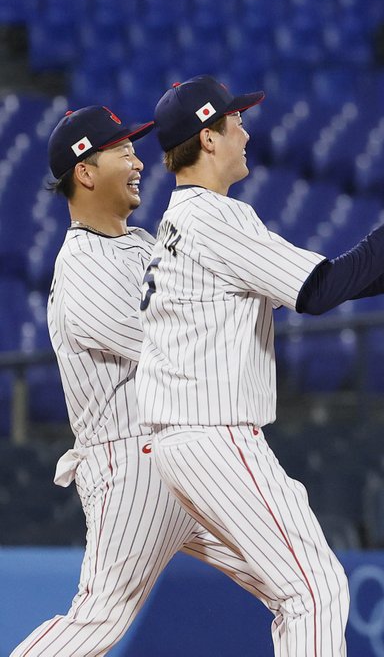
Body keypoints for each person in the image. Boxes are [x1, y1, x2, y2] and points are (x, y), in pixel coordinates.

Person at [134, 75, 384, 656]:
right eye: (234, 122)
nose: (246, 130)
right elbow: (318, 291)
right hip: (214, 438)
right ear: (208, 138)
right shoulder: (216, 219)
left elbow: (307, 285)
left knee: (295, 591)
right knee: (315, 591)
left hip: (177, 444)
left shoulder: (182, 221)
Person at [14, 107, 268, 657]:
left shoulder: (141, 241)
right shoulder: (80, 265)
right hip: (131, 461)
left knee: (298, 581)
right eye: (121, 151)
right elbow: (165, 347)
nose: (137, 161)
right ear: (85, 171)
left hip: (184, 453)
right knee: (99, 617)